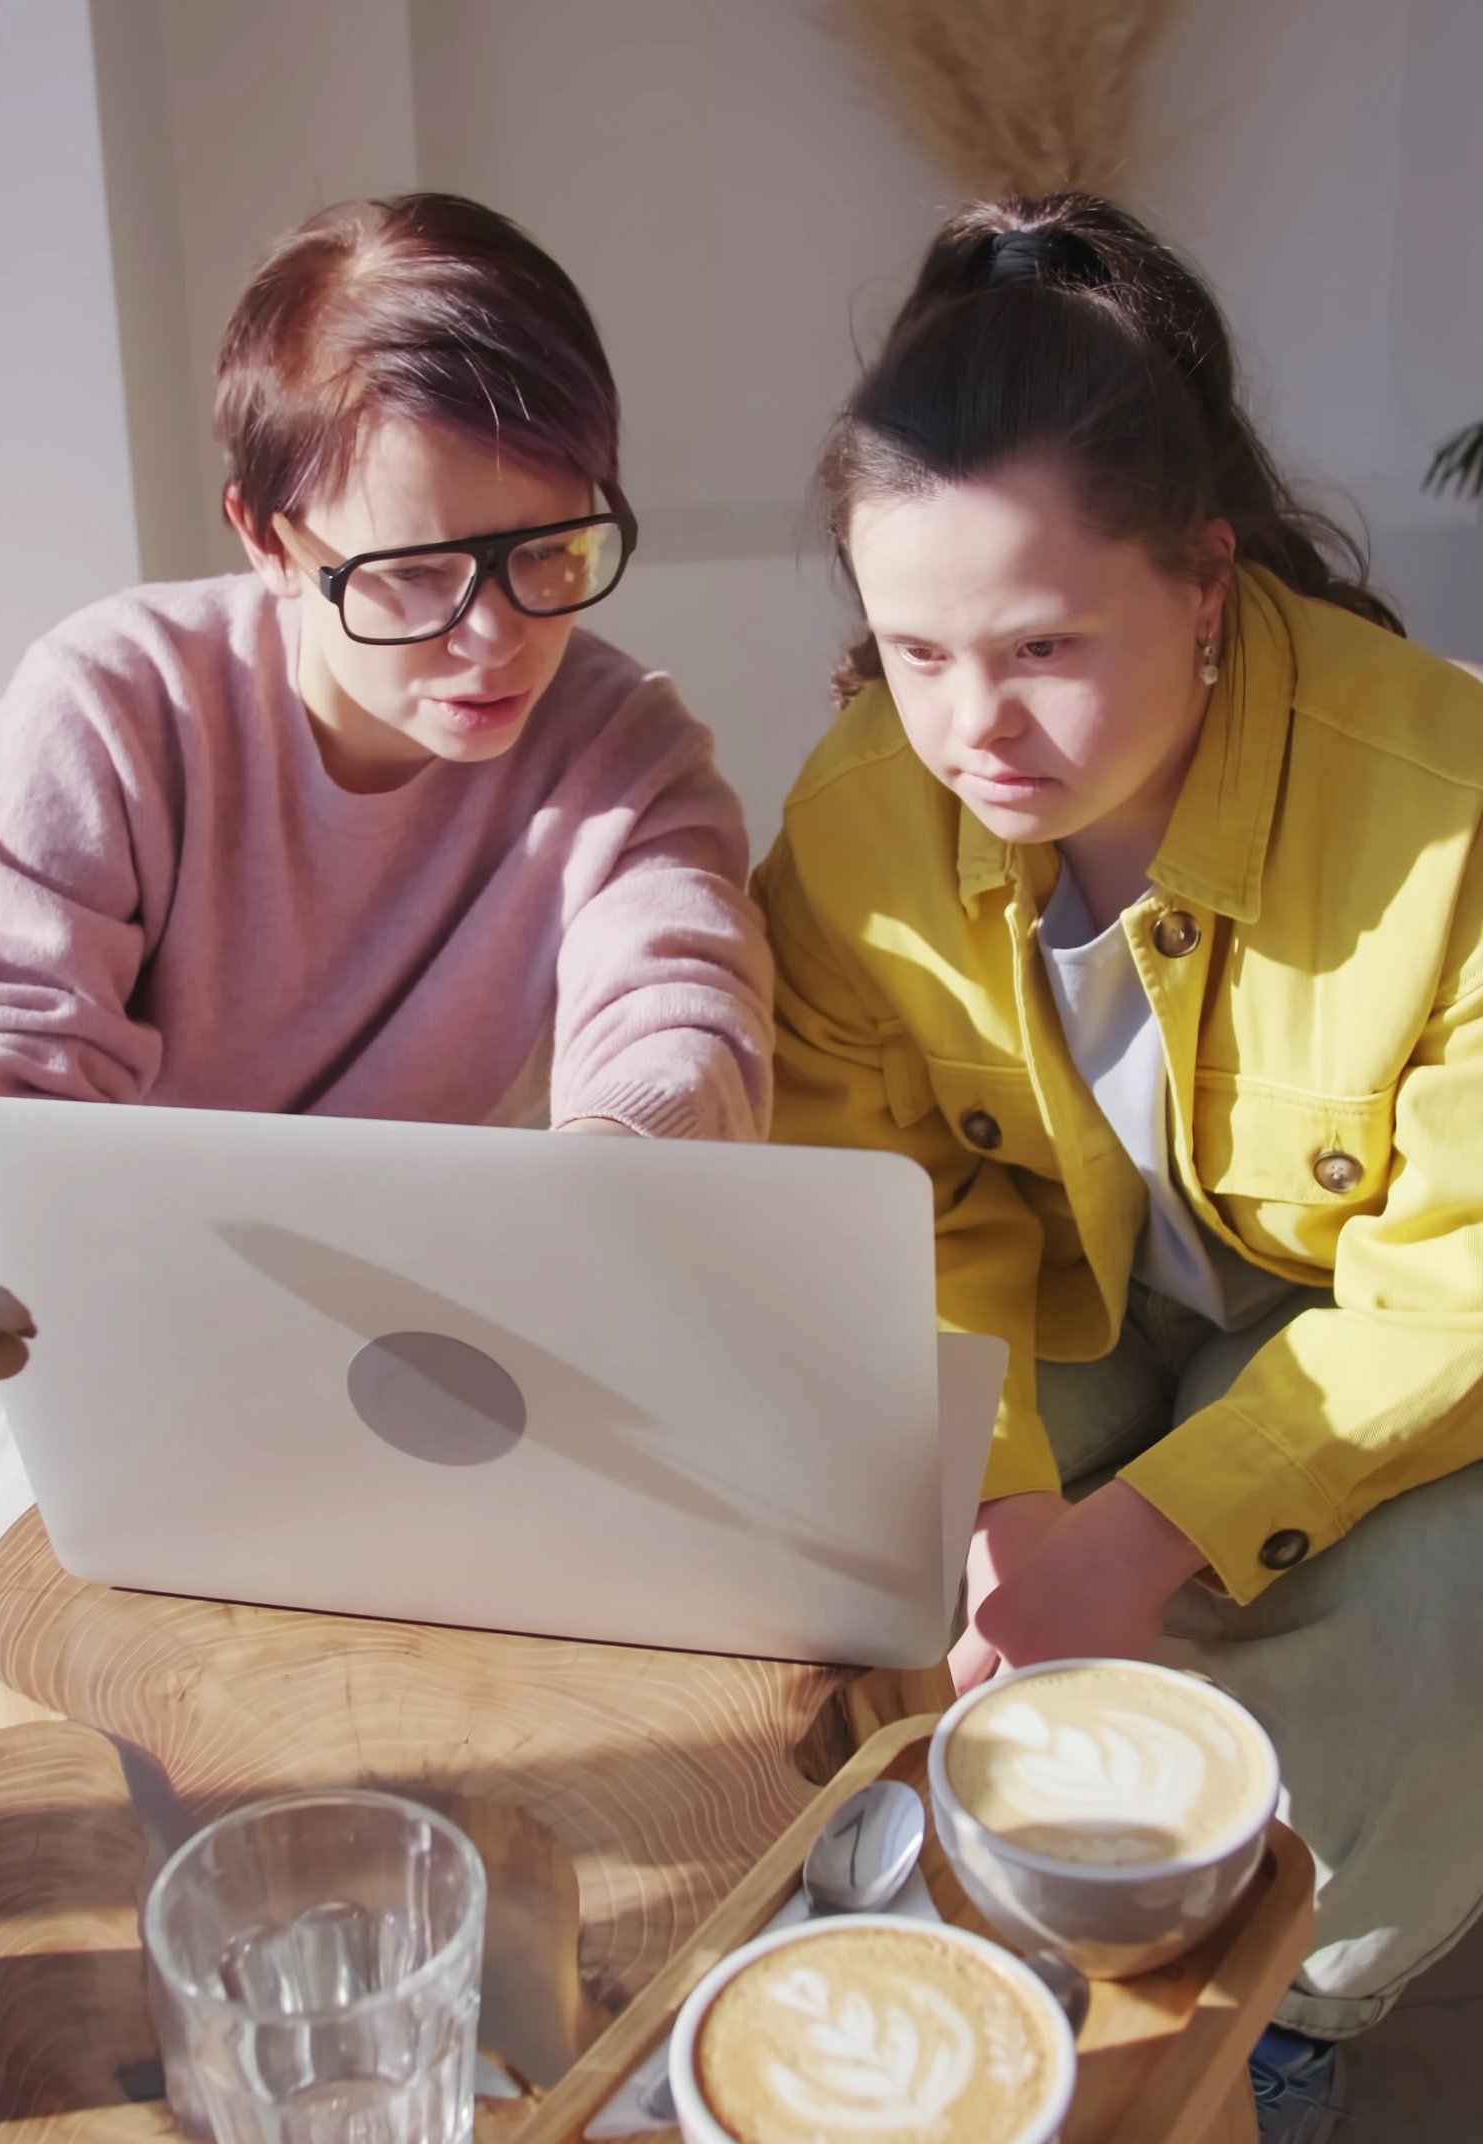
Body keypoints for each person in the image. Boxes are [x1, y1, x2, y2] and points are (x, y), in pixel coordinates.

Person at [0, 191, 773, 2037]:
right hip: (37, 1295)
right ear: (270, 536)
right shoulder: (116, 701)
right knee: (74, 1528)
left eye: (552, 552)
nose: (493, 636)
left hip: (399, 1293)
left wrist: (605, 1183)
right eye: (418, 573)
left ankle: (478, 2007)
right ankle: (25, 2009)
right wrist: (145, 1305)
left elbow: (677, 1003)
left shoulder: (621, 749)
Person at [758, 192, 1483, 2140]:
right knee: (863, 1525)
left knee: (1437, 1593)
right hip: (1053, 1304)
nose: (969, 726)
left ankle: (1284, 2001)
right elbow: (867, 1207)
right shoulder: (853, 817)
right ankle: (975, 1919)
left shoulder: (1445, 800)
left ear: (1203, 582)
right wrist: (996, 1504)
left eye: (1042, 645)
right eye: (908, 649)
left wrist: (1146, 1531)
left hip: (1366, 1324)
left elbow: (1454, 1278)